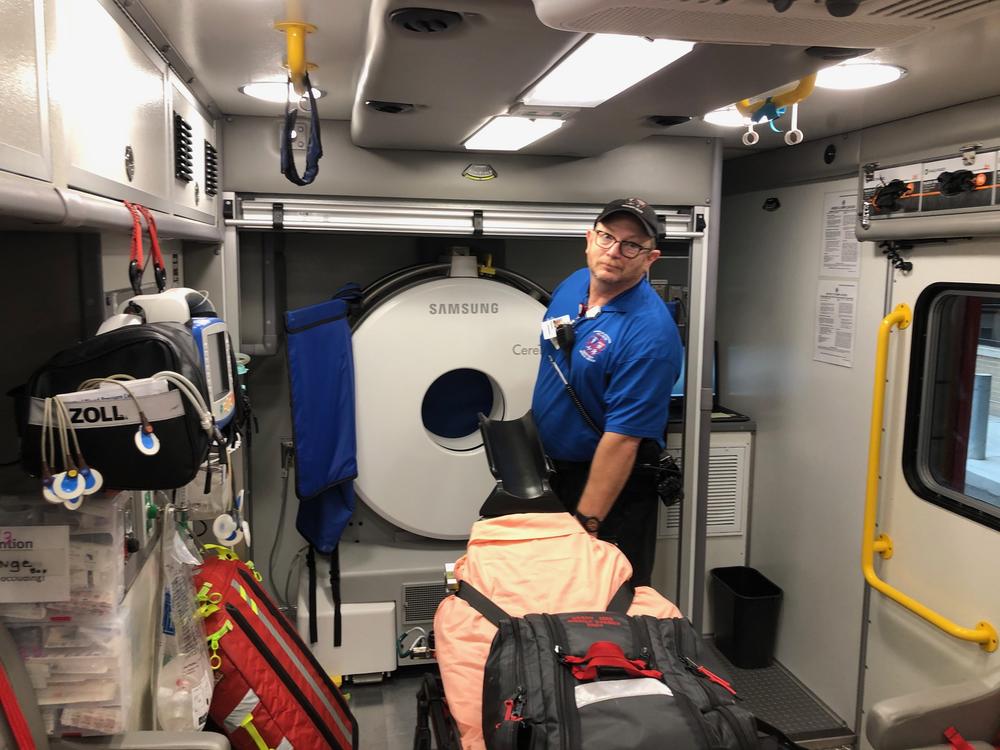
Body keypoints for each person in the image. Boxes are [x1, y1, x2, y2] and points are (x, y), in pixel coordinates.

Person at [531, 197, 683, 587]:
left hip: (611, 486)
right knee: (554, 591)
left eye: (632, 244)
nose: (614, 251)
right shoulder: (573, 285)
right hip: (556, 474)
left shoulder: (650, 334)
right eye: (607, 237)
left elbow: (623, 440)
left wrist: (587, 525)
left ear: (651, 258)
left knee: (602, 600)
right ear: (589, 238)